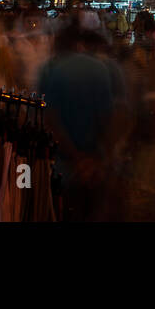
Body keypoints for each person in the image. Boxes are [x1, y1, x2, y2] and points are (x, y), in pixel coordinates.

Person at [37, 19, 128, 221]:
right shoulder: (109, 68)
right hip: (101, 167)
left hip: (63, 168)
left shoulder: (49, 69)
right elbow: (117, 117)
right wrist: (97, 160)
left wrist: (78, 160)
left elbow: (48, 118)